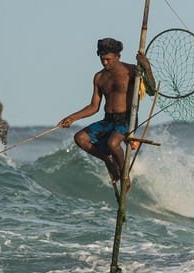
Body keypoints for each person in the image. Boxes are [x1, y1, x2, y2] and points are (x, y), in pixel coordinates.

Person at [57, 38, 156, 192]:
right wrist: (72, 117)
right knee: (80, 138)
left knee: (112, 144)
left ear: (118, 56)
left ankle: (124, 175)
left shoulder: (132, 71)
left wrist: (146, 67)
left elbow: (151, 90)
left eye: (108, 59)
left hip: (126, 119)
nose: (105, 63)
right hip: (108, 120)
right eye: (102, 60)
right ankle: (108, 160)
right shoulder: (99, 77)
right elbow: (93, 107)